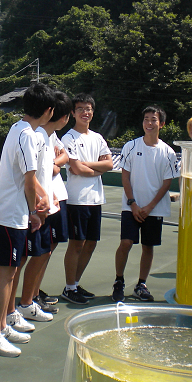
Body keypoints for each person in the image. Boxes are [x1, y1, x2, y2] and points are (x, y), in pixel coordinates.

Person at [0, 82, 54, 357]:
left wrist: (31, 212)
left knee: (11, 271)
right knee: (5, 273)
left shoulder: (18, 129)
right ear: (47, 111)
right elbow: (29, 180)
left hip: (12, 213)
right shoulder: (27, 135)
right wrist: (36, 211)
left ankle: (2, 326)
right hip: (9, 214)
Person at [112, 106, 179, 302]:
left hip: (154, 209)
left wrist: (150, 207)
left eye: (154, 120)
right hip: (130, 207)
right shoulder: (131, 147)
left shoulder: (168, 152)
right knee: (126, 243)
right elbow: (125, 175)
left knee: (148, 247)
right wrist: (132, 203)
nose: (149, 123)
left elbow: (167, 182)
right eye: (146, 119)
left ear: (162, 124)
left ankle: (141, 284)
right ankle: (118, 281)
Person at [21, 90, 74, 314]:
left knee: (45, 251)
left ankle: (32, 295)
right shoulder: (33, 135)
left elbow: (63, 157)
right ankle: (27, 300)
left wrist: (56, 164)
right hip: (37, 206)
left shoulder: (45, 135)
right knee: (31, 255)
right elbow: (32, 176)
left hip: (50, 200)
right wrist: (39, 204)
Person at [61, 94, 113, 305]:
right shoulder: (68, 138)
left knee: (90, 243)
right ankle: (69, 287)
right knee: (76, 244)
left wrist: (88, 167)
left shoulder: (98, 137)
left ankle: (74, 283)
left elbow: (109, 165)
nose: (85, 112)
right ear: (73, 113)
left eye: (89, 108)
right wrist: (95, 168)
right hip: (76, 200)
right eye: (81, 108)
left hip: (95, 199)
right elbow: (76, 168)